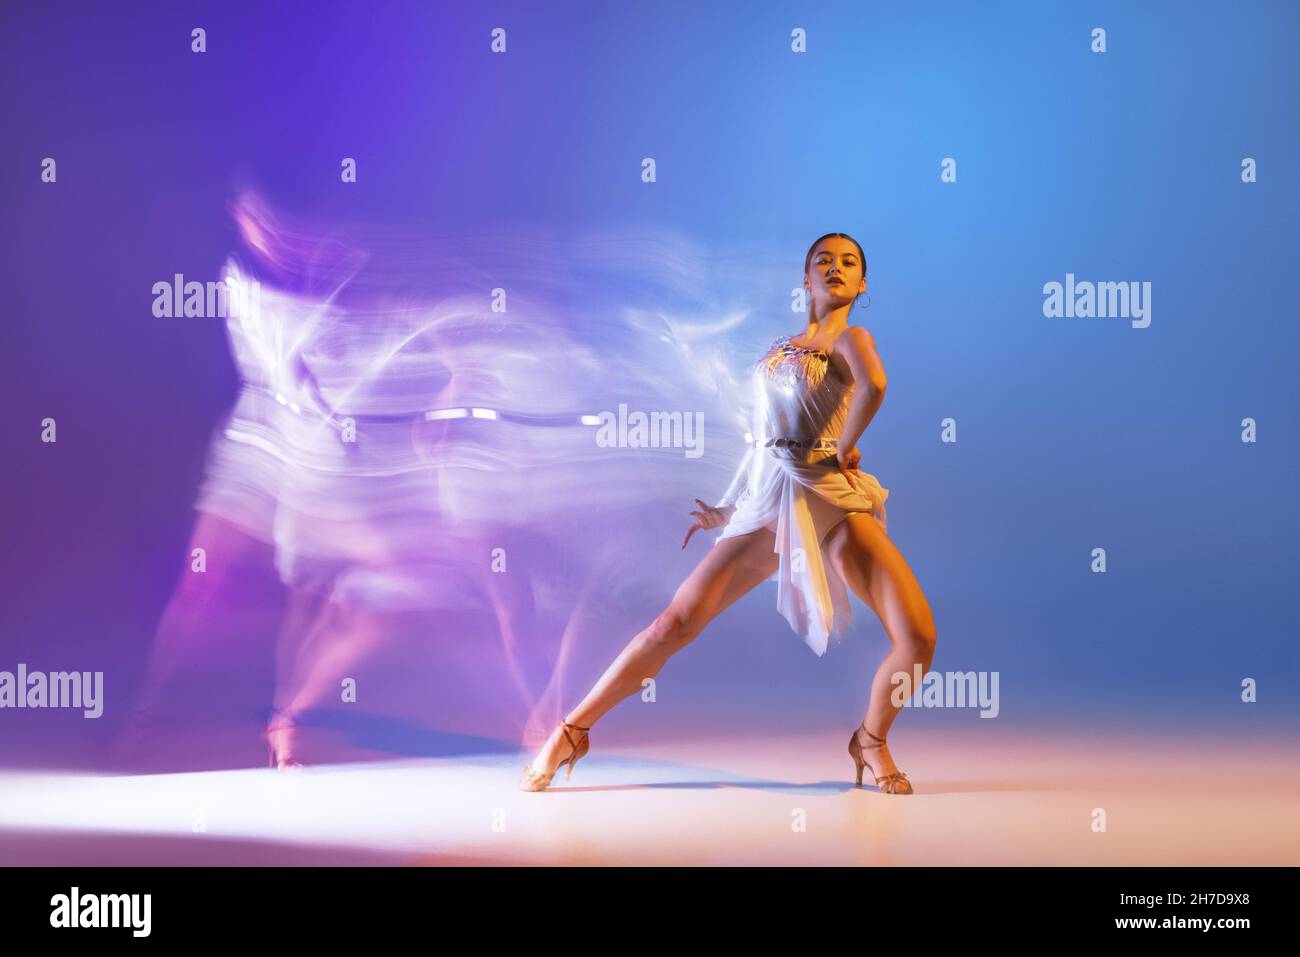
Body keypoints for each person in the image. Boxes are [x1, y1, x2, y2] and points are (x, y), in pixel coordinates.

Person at [519, 233, 938, 794]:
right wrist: (730, 507)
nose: (835, 268)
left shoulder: (853, 337)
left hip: (830, 499)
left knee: (917, 638)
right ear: (804, 278)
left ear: (863, 284)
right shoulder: (777, 349)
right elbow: (764, 439)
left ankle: (871, 740)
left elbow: (874, 386)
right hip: (771, 496)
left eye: (849, 263)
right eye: (823, 260)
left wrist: (844, 447)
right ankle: (572, 730)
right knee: (673, 624)